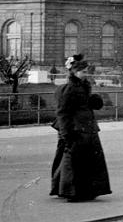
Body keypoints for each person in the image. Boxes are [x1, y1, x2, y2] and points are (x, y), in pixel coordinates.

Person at [50, 54, 111, 202]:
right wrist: (66, 134)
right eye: (83, 71)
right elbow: (63, 113)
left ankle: (86, 190)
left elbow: (84, 105)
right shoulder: (69, 89)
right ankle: (72, 192)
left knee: (86, 160)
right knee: (73, 161)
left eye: (86, 71)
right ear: (74, 72)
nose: (86, 73)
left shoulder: (84, 86)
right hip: (76, 129)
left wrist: (94, 101)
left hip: (88, 128)